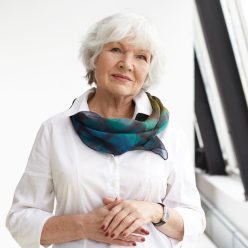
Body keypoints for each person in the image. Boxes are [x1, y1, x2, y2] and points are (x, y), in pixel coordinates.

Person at [6, 12, 206, 248]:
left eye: (141, 56)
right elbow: (20, 219)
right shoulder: (55, 130)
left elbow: (194, 220)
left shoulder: (170, 133)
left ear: (149, 70)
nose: (127, 64)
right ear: (94, 57)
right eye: (116, 50)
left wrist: (154, 211)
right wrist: (84, 225)